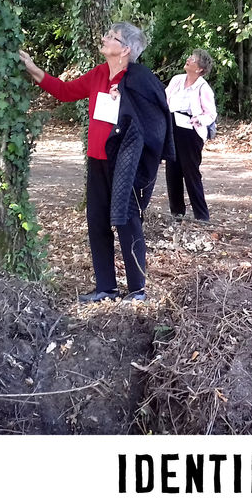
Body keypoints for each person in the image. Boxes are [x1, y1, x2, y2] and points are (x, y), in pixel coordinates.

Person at [19, 22, 175, 303]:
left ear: (125, 49)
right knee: (97, 221)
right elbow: (65, 92)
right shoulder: (99, 74)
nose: (104, 39)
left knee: (128, 221)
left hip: (126, 165)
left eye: (111, 37)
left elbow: (156, 122)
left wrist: (146, 155)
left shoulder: (140, 78)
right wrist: (32, 68)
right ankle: (106, 287)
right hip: (98, 161)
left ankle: (137, 289)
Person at [164, 49, 217, 221]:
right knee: (172, 171)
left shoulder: (203, 88)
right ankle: (177, 213)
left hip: (191, 132)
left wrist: (199, 120)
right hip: (173, 128)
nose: (188, 59)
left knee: (191, 172)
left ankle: (202, 216)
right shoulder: (177, 80)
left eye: (193, 59)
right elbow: (165, 100)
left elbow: (211, 114)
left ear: (200, 68)